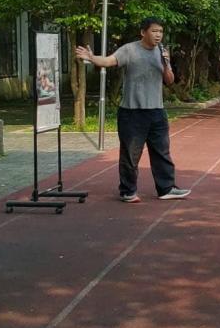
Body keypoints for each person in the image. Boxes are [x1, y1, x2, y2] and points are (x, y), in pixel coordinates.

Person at [75, 17, 190, 202]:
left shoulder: (161, 52)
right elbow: (108, 61)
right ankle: (128, 191)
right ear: (143, 32)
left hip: (157, 111)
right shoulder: (130, 50)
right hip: (132, 112)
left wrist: (166, 62)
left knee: (162, 152)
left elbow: (169, 80)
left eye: (160, 31)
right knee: (130, 153)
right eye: (154, 31)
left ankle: (166, 188)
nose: (158, 35)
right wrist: (91, 58)